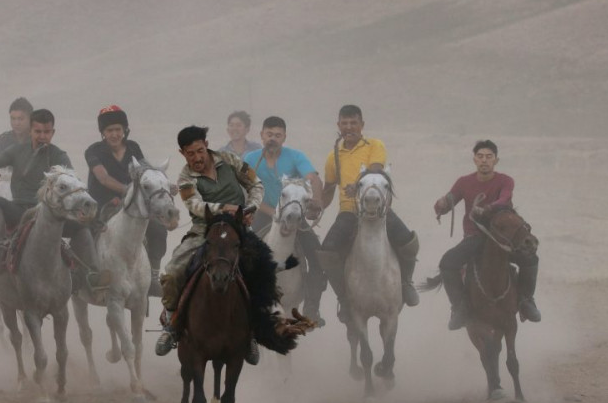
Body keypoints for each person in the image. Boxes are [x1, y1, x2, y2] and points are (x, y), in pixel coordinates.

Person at [155, 125, 264, 363]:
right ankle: (171, 324)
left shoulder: (229, 160)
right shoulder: (185, 179)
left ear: (206, 144)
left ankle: (253, 331)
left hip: (239, 231)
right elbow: (194, 206)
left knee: (263, 271)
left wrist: (251, 207)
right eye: (190, 153)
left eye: (199, 151)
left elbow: (256, 185)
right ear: (182, 153)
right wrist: (226, 209)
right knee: (173, 271)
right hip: (203, 232)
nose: (196, 157)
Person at [310, 104, 419, 323]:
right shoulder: (333, 157)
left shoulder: (375, 145)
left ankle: (406, 283)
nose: (349, 127)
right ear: (338, 125)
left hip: (379, 210)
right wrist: (318, 205)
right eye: (345, 123)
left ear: (362, 125)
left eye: (353, 123)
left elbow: (375, 170)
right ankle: (345, 297)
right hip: (349, 211)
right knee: (326, 253)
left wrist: (358, 185)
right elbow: (330, 188)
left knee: (409, 242)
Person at [0, 108, 108, 288]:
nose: (42, 136)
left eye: (47, 132)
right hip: (21, 211)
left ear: (52, 133)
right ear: (30, 131)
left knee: (81, 228)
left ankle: (92, 274)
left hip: (50, 215)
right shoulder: (16, 151)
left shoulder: (59, 156)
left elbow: (72, 184)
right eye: (38, 131)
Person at [433, 140, 541, 329]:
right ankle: (459, 307)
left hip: (502, 237)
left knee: (530, 258)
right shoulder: (464, 182)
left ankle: (526, 300)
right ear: (474, 159)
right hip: (475, 237)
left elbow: (504, 199)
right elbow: (451, 198)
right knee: (447, 263)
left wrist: (488, 208)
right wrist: (441, 205)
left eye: (489, 157)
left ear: (496, 160)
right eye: (480, 156)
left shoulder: (505, 180)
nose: (484, 160)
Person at [243, 116, 327, 323]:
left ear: (284, 137)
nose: (273, 138)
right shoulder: (250, 159)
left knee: (317, 256)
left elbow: (313, 178)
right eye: (269, 134)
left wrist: (316, 198)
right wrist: (273, 213)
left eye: (277, 135)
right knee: (243, 254)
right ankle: (244, 303)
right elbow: (248, 192)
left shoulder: (296, 156)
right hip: (264, 213)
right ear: (262, 135)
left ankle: (311, 307)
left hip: (295, 213)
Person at [84, 105, 167, 296]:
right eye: (109, 130)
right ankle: (87, 273)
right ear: (103, 133)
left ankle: (153, 276)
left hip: (131, 205)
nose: (114, 134)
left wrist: (162, 185)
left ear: (124, 130)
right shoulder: (93, 151)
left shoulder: (133, 148)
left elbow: (145, 170)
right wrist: (130, 190)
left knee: (158, 230)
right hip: (102, 203)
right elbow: (103, 178)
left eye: (118, 130)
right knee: (85, 231)